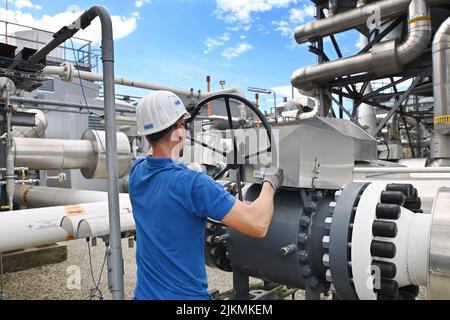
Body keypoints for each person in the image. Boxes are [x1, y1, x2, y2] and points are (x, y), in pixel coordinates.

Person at [129, 90, 284, 300]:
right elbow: (258, 224)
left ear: (146, 134)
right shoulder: (194, 185)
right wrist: (270, 182)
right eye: (183, 123)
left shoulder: (137, 171)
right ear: (179, 130)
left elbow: (158, 163)